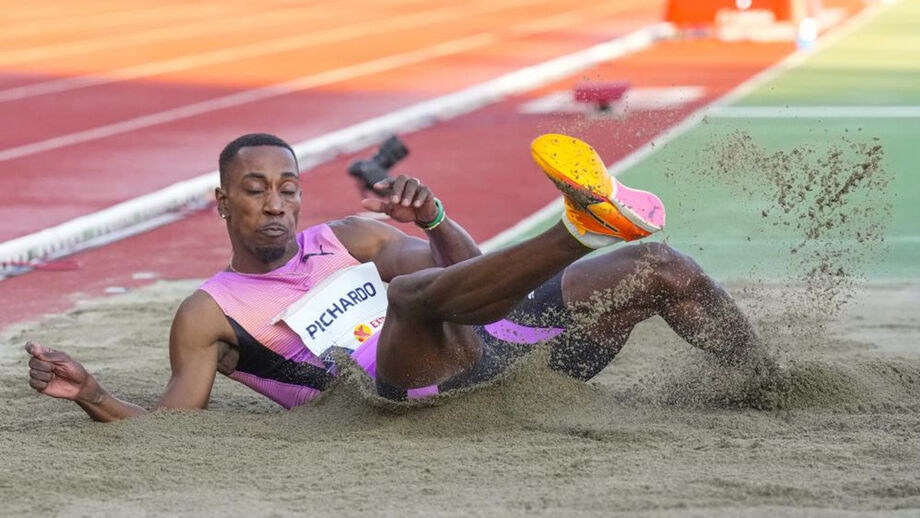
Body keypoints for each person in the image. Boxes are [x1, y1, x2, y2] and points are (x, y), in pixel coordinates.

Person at [25, 133, 764, 420]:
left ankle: (764, 382)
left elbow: (468, 276)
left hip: (497, 351)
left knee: (659, 266)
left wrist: (435, 218)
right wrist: (92, 394)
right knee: (409, 299)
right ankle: (577, 228)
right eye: (254, 190)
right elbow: (172, 424)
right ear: (223, 202)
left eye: (287, 188)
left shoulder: (351, 237)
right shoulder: (208, 312)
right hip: (404, 393)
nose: (275, 204)